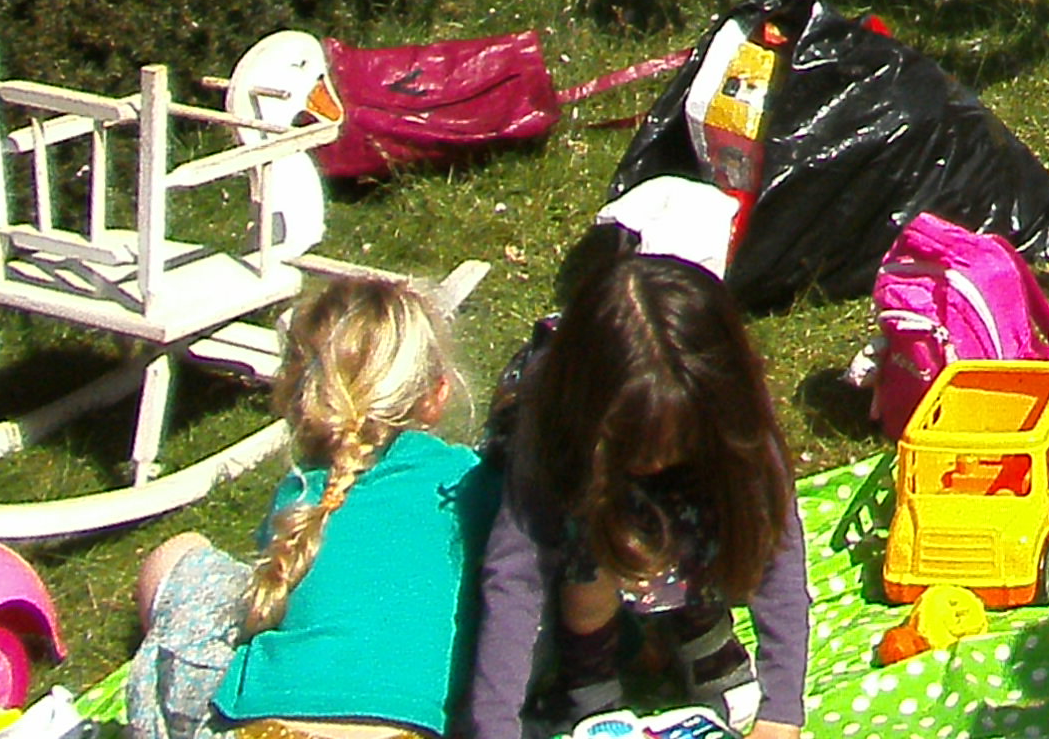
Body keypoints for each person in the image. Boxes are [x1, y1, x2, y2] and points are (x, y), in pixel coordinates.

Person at [463, 232, 812, 739]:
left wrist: (782, 710)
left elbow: (779, 551)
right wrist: (494, 726)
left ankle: (700, 631)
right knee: (597, 540)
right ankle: (590, 682)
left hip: (682, 518)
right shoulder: (551, 426)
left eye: (677, 441)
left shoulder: (736, 421)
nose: (657, 461)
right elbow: (514, 579)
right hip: (595, 516)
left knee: (721, 505)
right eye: (639, 445)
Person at [137, 280, 498, 739]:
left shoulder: (302, 494)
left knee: (177, 555)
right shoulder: (468, 479)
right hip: (406, 731)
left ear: (298, 392)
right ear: (437, 394)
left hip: (263, 729)